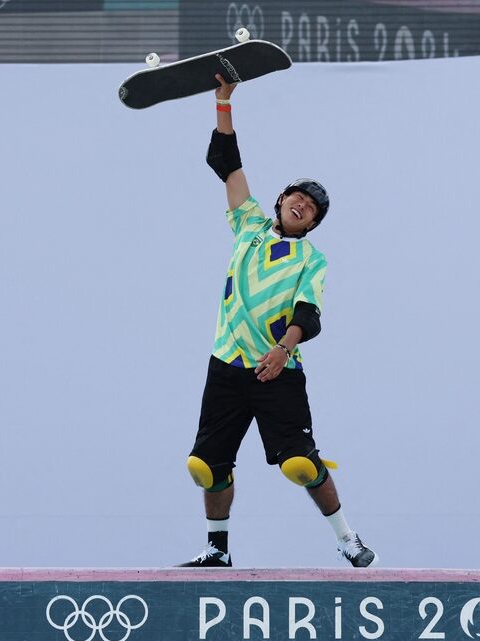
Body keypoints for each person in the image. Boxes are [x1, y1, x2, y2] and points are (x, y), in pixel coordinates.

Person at [178, 75, 377, 568]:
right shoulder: (247, 223)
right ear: (282, 200)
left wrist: (283, 349)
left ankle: (348, 539)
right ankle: (216, 551)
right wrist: (223, 100)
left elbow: (308, 314)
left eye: (311, 208)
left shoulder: (313, 260)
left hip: (276, 370)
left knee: (297, 464)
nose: (302, 204)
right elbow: (227, 165)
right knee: (205, 467)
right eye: (297, 196)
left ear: (310, 224)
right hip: (227, 363)